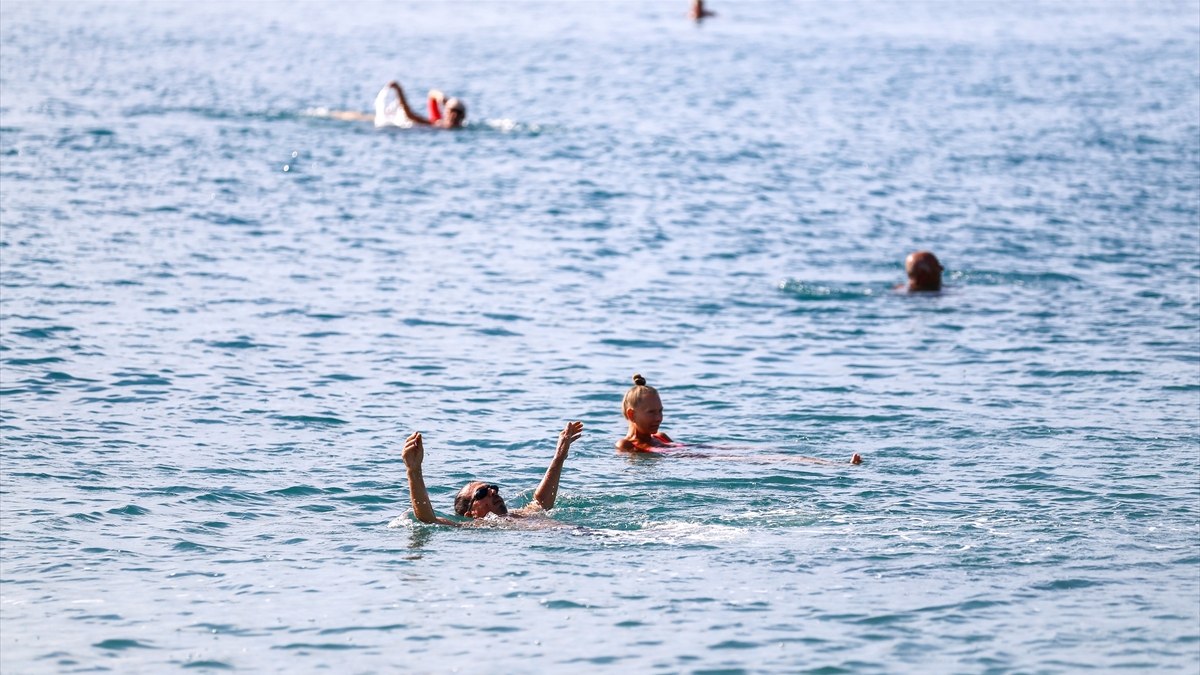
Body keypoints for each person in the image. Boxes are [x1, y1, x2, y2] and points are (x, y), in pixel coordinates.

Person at [616, 374, 862, 464]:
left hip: (698, 453)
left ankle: (827, 462)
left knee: (746, 451)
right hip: (692, 458)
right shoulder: (627, 445)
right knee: (750, 458)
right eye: (651, 412)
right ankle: (833, 465)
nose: (659, 417)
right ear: (631, 415)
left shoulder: (661, 436)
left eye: (661, 411)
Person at [402, 421, 583, 526]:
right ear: (470, 513)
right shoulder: (475, 527)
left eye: (492, 488)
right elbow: (427, 518)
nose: (493, 492)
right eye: (481, 493)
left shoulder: (518, 515)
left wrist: (559, 456)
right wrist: (413, 470)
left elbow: (541, 502)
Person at [325, 80, 467, 129]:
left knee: (366, 118)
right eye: (450, 111)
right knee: (360, 118)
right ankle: (331, 114)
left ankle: (333, 114)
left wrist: (399, 92)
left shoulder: (437, 124)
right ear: (446, 111)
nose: (453, 115)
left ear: (462, 117)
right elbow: (431, 94)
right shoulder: (437, 123)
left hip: (402, 124)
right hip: (400, 124)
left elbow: (410, 115)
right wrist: (444, 99)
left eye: (457, 113)